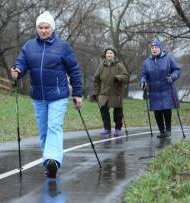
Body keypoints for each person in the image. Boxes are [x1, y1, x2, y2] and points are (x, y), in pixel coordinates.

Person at [11, 11, 82, 178]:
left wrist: (78, 94)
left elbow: (74, 70)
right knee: (43, 131)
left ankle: (54, 161)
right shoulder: (29, 46)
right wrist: (17, 71)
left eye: (47, 27)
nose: (43, 31)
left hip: (58, 95)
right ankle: (48, 164)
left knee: (54, 127)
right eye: (40, 27)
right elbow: (21, 62)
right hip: (38, 96)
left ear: (53, 28)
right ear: (37, 28)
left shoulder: (63, 46)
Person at [139, 39, 181, 138]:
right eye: (152, 48)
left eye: (156, 47)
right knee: (157, 111)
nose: (154, 49)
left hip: (167, 88)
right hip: (154, 90)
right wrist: (143, 81)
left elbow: (177, 70)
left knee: (166, 109)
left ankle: (168, 130)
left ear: (160, 48)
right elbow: (143, 75)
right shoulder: (147, 62)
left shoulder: (168, 58)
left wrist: (173, 77)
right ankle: (162, 131)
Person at [91, 48, 129, 137]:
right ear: (105, 55)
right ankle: (107, 128)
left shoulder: (119, 65)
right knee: (103, 111)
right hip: (104, 93)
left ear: (114, 55)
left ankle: (118, 128)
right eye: (107, 53)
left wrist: (119, 77)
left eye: (111, 53)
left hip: (116, 93)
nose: (109, 55)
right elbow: (96, 80)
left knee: (118, 113)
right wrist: (96, 92)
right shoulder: (101, 66)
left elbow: (126, 77)